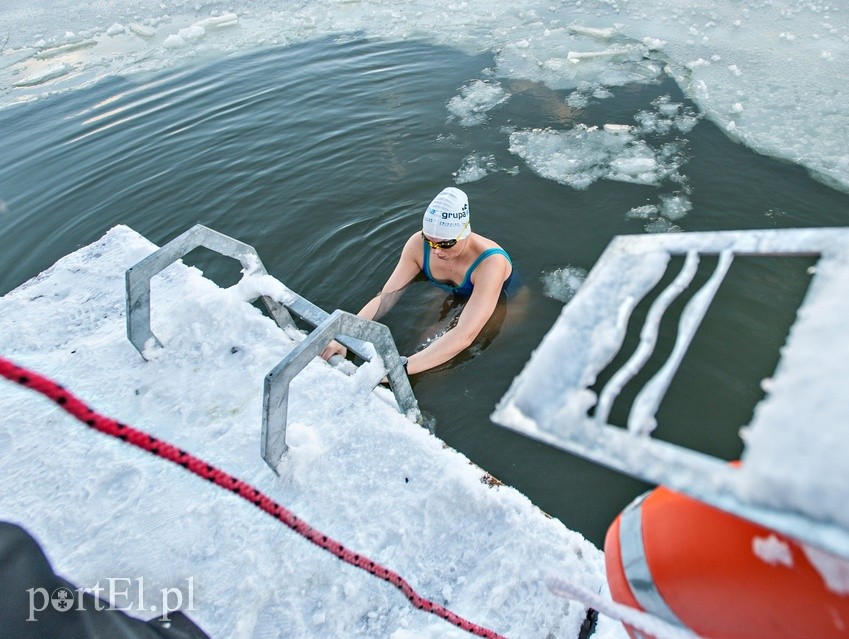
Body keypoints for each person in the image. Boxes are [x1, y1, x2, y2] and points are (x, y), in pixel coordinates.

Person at [321, 187, 516, 375]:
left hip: (504, 297)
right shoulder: (417, 244)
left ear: (464, 233)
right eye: (429, 241)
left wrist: (398, 371)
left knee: (452, 352)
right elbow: (386, 297)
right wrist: (345, 335)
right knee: (425, 336)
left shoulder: (491, 263)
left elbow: (465, 335)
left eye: (446, 244)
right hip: (452, 291)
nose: (436, 251)